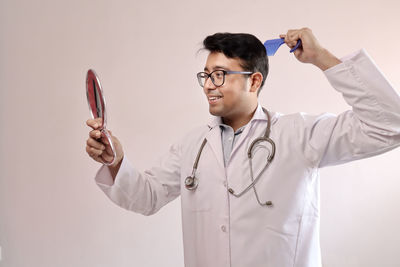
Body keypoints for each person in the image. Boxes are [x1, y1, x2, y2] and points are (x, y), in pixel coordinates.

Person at [85, 28, 400, 267]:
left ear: (254, 81)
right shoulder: (192, 145)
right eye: (205, 76)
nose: (209, 84)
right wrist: (117, 161)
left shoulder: (300, 135)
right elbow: (146, 197)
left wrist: (321, 57)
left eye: (220, 75)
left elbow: (389, 125)